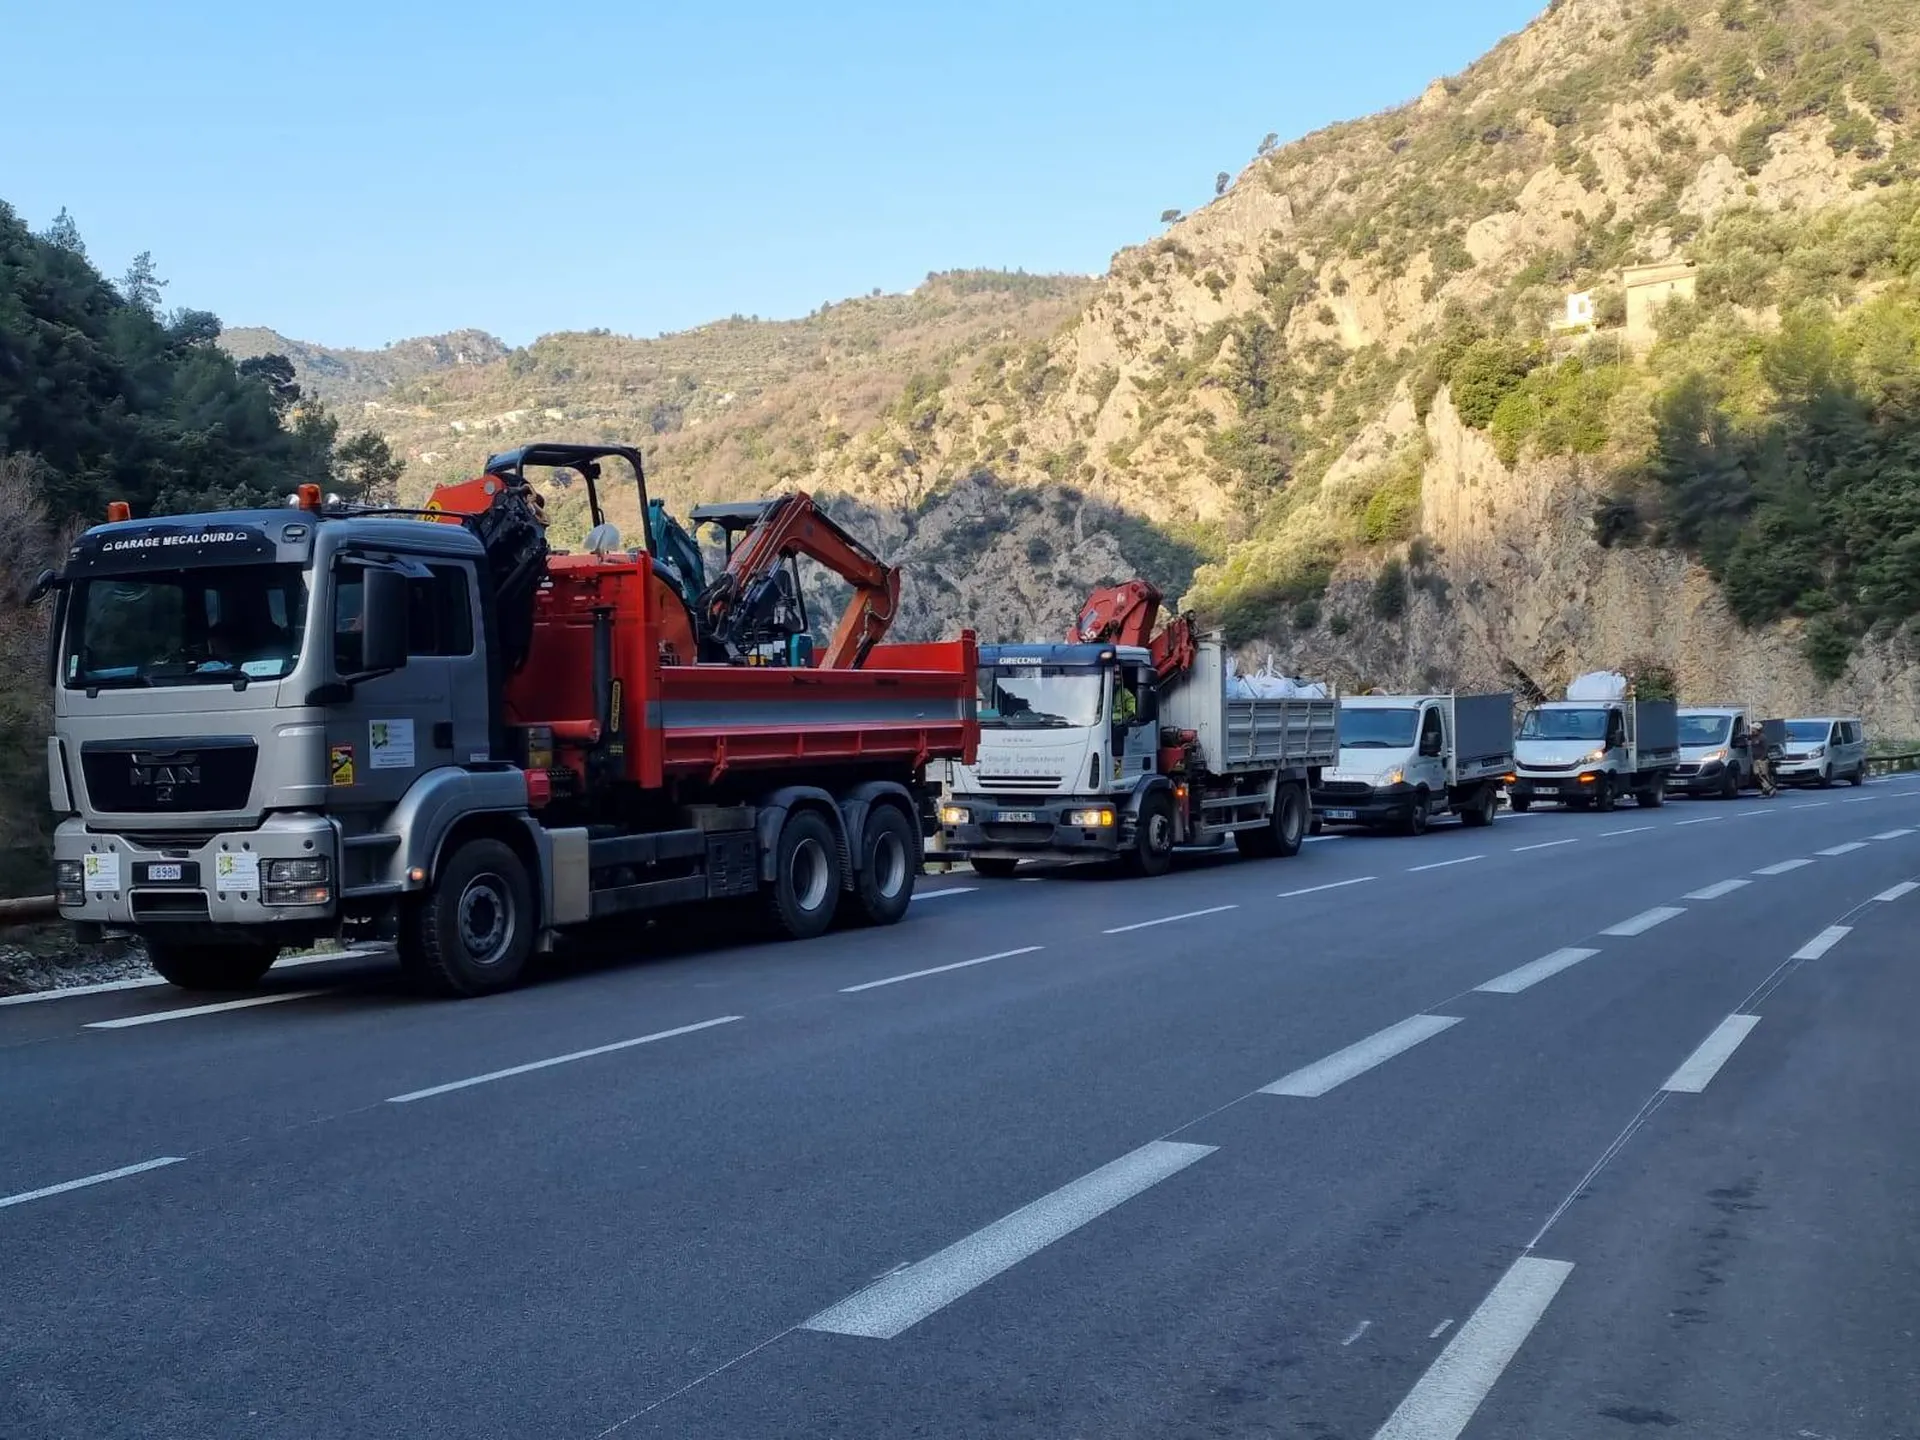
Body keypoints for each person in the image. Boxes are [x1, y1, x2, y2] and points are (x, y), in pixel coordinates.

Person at [1749, 721, 1776, 797]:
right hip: (1755, 759)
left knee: (1763, 774)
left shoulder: (1762, 737)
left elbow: (1766, 749)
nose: (1752, 730)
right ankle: (1766, 789)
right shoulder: (1753, 737)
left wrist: (1762, 758)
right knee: (1757, 774)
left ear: (1757, 729)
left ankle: (1769, 789)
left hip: (1762, 759)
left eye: (1753, 728)